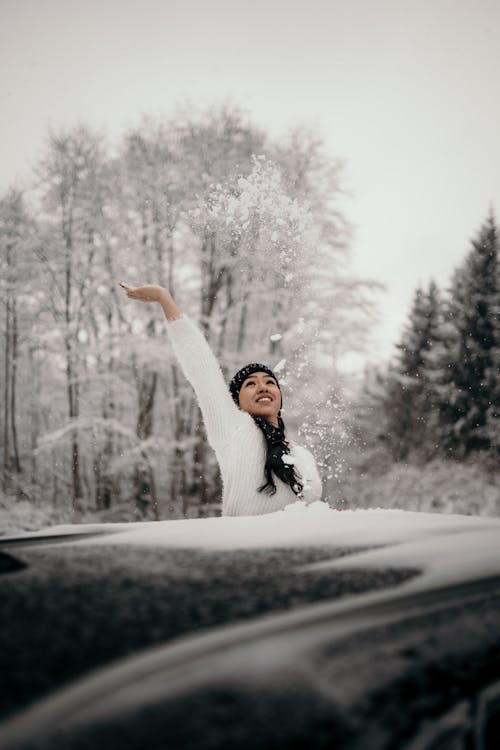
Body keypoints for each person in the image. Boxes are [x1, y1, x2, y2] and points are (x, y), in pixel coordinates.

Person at [119, 282, 323, 516]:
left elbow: (311, 510)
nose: (262, 387)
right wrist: (165, 299)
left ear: (279, 396)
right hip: (242, 548)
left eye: (269, 382)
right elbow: (201, 367)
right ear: (236, 402)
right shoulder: (233, 427)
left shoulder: (302, 455)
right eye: (251, 384)